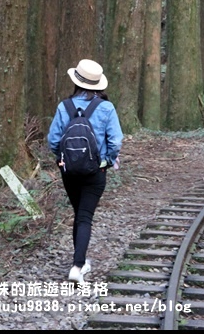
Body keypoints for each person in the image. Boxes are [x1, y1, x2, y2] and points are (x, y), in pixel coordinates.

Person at [48, 59, 124, 285]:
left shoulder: (64, 106)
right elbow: (116, 141)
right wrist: (107, 161)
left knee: (79, 213)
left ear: (77, 81)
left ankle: (78, 262)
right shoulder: (106, 108)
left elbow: (53, 140)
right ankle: (78, 266)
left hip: (69, 171)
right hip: (95, 172)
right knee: (85, 216)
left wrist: (62, 159)